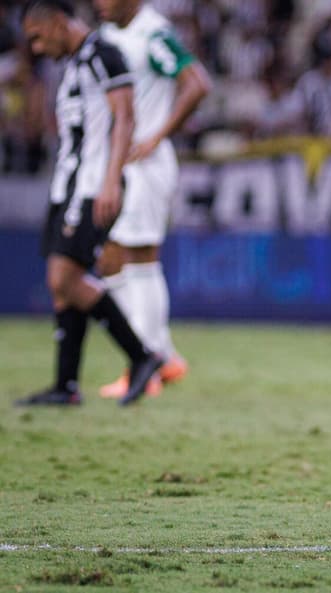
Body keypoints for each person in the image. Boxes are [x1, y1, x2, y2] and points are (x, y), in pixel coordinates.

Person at [16, 0, 163, 407]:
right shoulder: (76, 64)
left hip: (93, 186)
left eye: (38, 37)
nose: (38, 48)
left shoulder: (103, 54)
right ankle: (66, 386)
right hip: (68, 187)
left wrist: (111, 179)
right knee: (59, 285)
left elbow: (125, 117)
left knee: (66, 278)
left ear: (58, 23)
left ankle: (143, 355)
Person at [91, 0, 211, 398]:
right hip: (116, 160)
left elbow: (197, 83)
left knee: (139, 255)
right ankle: (162, 355)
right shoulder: (108, 34)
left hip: (145, 163)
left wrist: (157, 135)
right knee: (109, 257)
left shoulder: (152, 34)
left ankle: (144, 366)